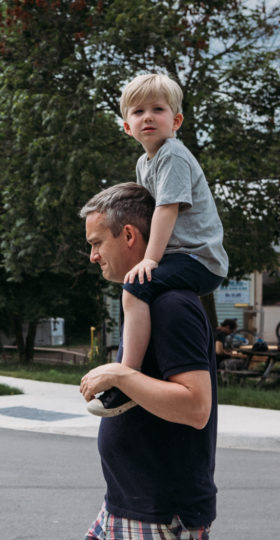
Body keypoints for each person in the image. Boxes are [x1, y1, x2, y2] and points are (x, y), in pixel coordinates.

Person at [72, 183, 278, 540]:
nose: (93, 255)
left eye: (97, 243)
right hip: (120, 505)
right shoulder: (143, 298)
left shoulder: (173, 306)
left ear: (128, 235)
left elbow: (195, 407)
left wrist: (120, 375)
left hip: (162, 513)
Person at [88, 73, 229, 417]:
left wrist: (149, 259)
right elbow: (145, 212)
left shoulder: (173, 155)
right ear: (127, 126)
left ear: (176, 120)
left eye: (158, 109)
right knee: (138, 289)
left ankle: (125, 377)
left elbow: (165, 210)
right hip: (180, 256)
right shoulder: (144, 163)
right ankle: (131, 372)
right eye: (137, 112)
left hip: (198, 258)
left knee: (135, 288)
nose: (147, 116)